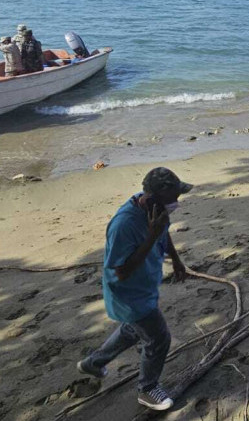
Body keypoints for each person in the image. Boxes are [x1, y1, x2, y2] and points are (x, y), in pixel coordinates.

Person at [78, 167, 193, 411]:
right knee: (158, 338)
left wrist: (175, 259)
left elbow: (164, 233)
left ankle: (93, 363)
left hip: (145, 285)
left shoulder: (157, 212)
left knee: (132, 330)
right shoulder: (124, 225)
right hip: (128, 294)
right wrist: (151, 236)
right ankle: (147, 389)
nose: (176, 203)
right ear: (152, 198)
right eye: (172, 198)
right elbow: (121, 271)